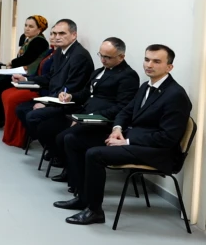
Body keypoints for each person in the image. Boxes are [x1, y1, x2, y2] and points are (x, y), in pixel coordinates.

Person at [58, 45, 192, 225]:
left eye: (156, 61)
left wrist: (127, 141)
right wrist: (117, 129)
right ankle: (83, 198)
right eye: (147, 59)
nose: (149, 65)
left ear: (169, 67)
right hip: (134, 139)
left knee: (94, 154)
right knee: (73, 139)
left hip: (158, 151)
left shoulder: (176, 95)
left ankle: (94, 211)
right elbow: (126, 111)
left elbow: (167, 138)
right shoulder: (146, 86)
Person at [39, 38, 139, 176]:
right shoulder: (99, 71)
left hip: (101, 120)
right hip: (84, 113)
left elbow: (123, 106)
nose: (103, 60)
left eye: (108, 57)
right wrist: (70, 96)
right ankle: (66, 164)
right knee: (46, 126)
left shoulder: (128, 76)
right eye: (101, 55)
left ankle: (72, 173)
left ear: (121, 57)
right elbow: (86, 93)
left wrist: (89, 116)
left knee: (66, 137)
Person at [2, 19, 94, 147]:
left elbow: (71, 88)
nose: (57, 37)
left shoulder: (79, 56)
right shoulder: (60, 52)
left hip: (68, 103)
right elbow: (50, 77)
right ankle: (49, 145)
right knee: (21, 109)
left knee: (32, 116)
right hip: (54, 98)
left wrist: (47, 104)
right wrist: (26, 79)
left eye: (62, 33)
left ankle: (54, 150)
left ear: (74, 35)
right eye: (55, 33)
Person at [0, 15, 50, 129]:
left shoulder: (40, 41)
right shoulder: (28, 40)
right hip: (20, 71)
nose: (26, 28)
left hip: (28, 74)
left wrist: (12, 63)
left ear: (39, 29)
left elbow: (27, 59)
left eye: (31, 26)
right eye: (26, 25)